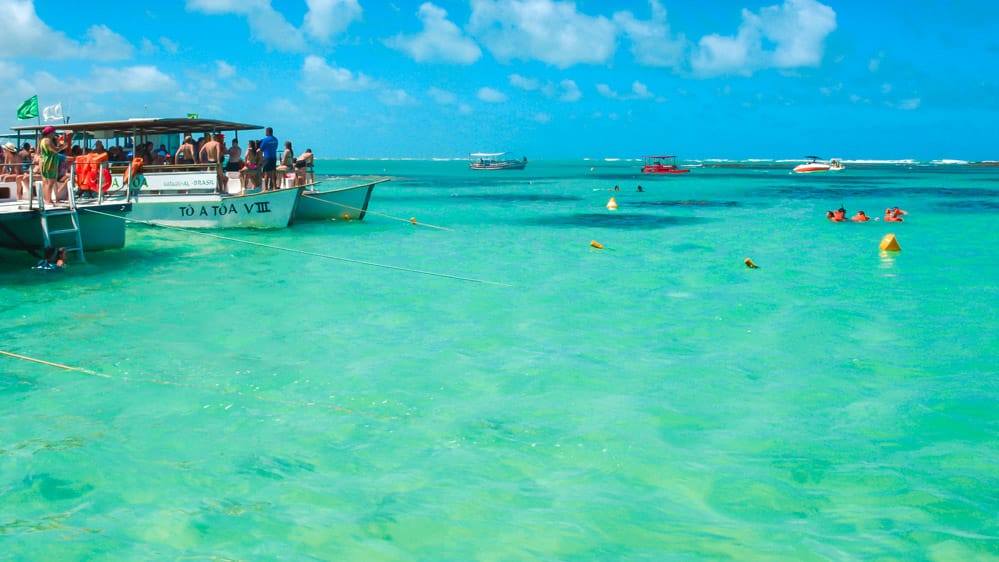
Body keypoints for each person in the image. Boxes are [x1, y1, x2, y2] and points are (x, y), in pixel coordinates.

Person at [39, 125, 72, 206]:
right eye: (54, 132)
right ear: (50, 132)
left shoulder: (42, 140)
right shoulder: (47, 140)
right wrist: (63, 147)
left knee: (47, 182)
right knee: (50, 182)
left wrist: (58, 144)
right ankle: (48, 200)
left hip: (46, 162)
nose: (55, 133)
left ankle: (47, 199)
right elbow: (55, 150)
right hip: (50, 163)